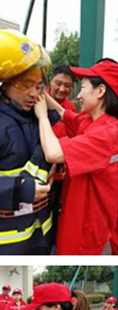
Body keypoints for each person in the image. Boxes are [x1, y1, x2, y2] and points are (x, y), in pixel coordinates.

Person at [34, 58, 118, 255]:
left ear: (100, 91)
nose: (78, 95)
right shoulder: (91, 121)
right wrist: (37, 88)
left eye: (83, 88)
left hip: (84, 227)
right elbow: (61, 111)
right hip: (76, 213)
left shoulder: (107, 134)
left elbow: (53, 153)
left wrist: (42, 117)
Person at [0, 30, 54, 255]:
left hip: (41, 233)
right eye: (26, 84)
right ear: (1, 84)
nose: (34, 93)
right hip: (8, 242)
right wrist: (21, 189)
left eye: (38, 85)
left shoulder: (36, 116)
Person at [46, 65, 77, 230]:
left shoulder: (70, 108)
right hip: (39, 167)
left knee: (56, 210)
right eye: (58, 83)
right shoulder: (36, 100)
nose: (62, 89)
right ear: (50, 80)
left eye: (67, 86)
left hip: (60, 171)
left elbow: (72, 138)